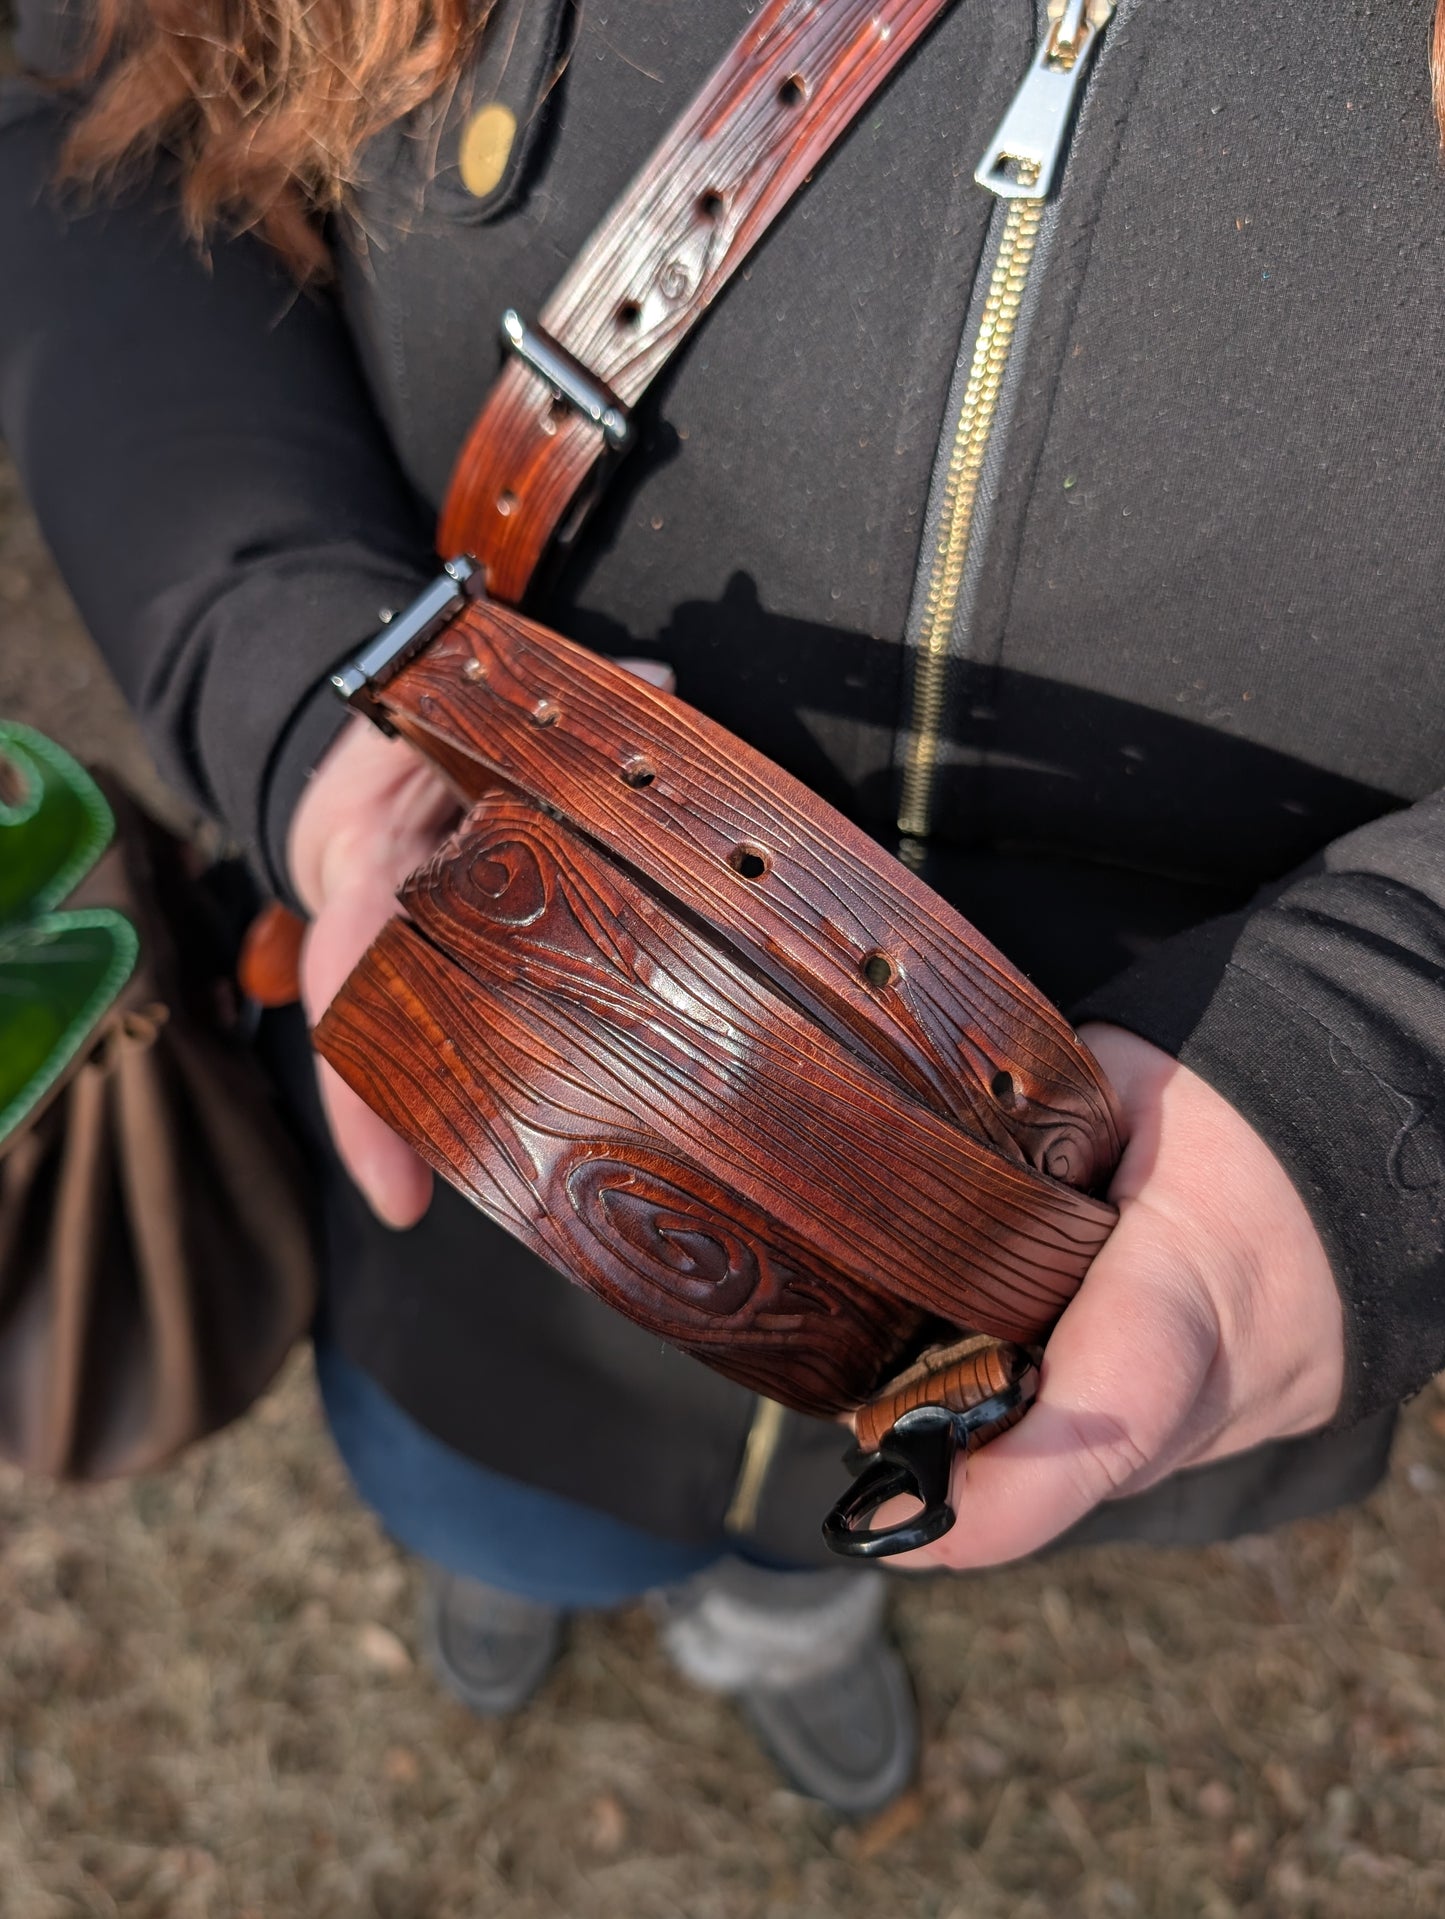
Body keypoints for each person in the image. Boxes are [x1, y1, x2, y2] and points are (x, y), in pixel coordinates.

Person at [3, 0, 1442, 1815]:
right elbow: (103, 112)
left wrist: (1380, 1048)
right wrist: (299, 684)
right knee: (485, 1504)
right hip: (471, 1158)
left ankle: (784, 1623)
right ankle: (506, 1585)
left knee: (830, 1559)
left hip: (1104, 1281)